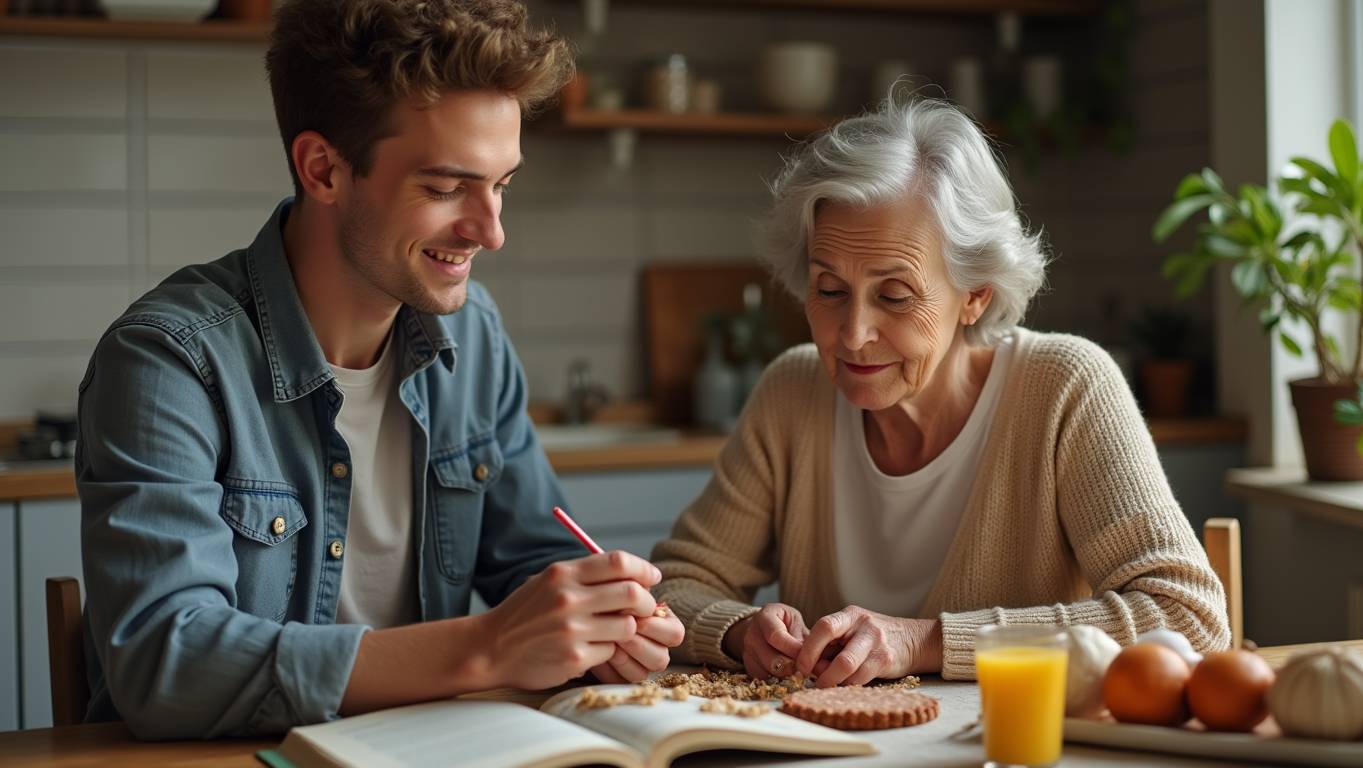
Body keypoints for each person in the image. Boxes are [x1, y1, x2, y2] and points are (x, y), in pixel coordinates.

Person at [76, 0, 681, 739]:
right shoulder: (169, 360)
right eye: (445, 187)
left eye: (503, 185)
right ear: (323, 169)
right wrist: (487, 646)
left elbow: (533, 557)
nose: (490, 231)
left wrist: (600, 616)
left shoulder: (475, 337)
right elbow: (165, 663)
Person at [651, 97, 1229, 687]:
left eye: (895, 296)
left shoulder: (1065, 388)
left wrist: (924, 641)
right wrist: (741, 630)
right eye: (829, 289)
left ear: (974, 292)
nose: (852, 334)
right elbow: (676, 583)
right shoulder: (791, 392)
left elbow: (1187, 617)